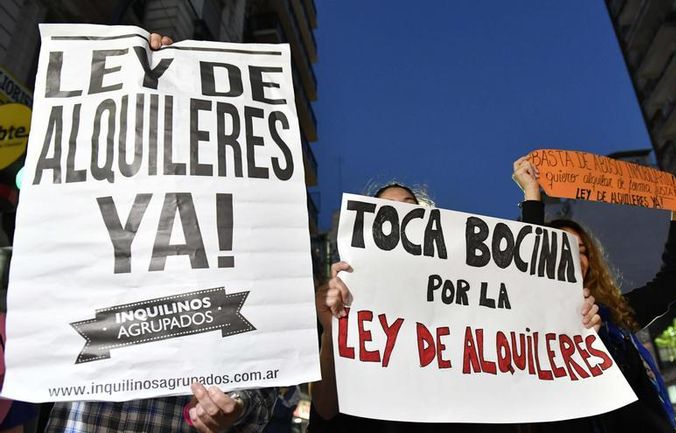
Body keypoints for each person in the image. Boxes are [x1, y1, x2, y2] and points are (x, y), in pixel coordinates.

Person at [44, 33, 278, 433]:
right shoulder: (86, 206)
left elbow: (267, 368)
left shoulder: (241, 238)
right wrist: (135, 69)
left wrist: (237, 407)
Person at [309, 182, 601, 433]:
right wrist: (330, 332)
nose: (399, 213)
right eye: (387, 208)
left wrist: (574, 327)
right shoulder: (349, 297)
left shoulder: (471, 285)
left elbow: (524, 287)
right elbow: (325, 409)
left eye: (410, 206)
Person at [512, 155, 676, 433]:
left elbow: (670, 283)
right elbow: (532, 261)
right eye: (563, 249)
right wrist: (532, 193)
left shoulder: (617, 316)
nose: (575, 257)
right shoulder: (532, 326)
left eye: (583, 251)